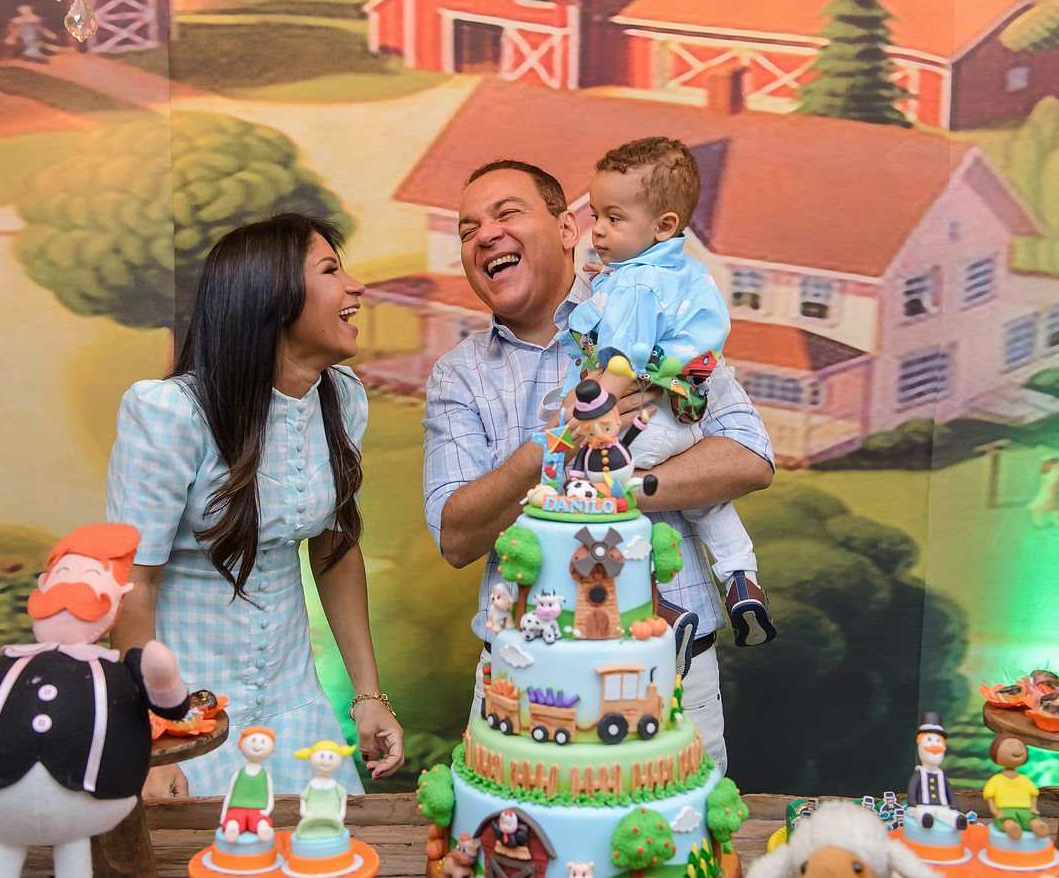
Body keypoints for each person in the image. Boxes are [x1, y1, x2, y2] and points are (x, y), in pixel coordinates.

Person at [422, 160, 774, 771]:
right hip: (526, 676)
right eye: (467, 229)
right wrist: (559, 442)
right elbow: (456, 535)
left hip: (672, 671)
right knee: (519, 825)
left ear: (567, 228)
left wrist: (616, 487)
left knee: (678, 829)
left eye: (507, 214)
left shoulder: (652, 306)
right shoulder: (459, 374)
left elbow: (749, 456)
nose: (485, 235)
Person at [106, 213, 404, 798]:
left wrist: (368, 695)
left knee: (321, 840)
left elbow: (335, 550)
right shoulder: (170, 413)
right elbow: (132, 584)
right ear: (273, 298)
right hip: (188, 717)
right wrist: (154, 736)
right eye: (330, 270)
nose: (356, 287)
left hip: (296, 711)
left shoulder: (342, 399)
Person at [561, 136, 774, 646]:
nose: (598, 229)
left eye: (614, 218)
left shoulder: (636, 285)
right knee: (708, 504)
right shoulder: (680, 271)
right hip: (683, 417)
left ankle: (656, 605)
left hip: (647, 423)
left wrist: (592, 405)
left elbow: (625, 357)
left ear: (663, 226)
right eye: (596, 215)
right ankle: (740, 577)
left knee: (592, 491)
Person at [0, 523, 189, 877]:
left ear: (119, 595)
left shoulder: (125, 670)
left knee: (74, 856)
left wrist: (163, 677)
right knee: (3, 856)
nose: (72, 588)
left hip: (88, 792)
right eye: (64, 573)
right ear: (43, 584)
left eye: (91, 576)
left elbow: (172, 707)